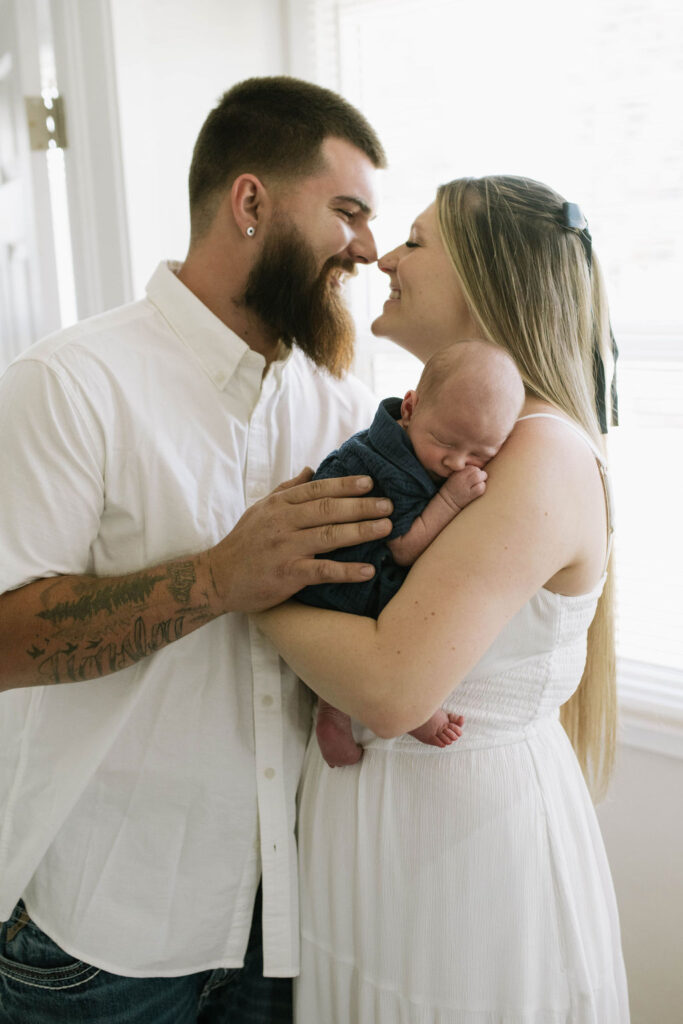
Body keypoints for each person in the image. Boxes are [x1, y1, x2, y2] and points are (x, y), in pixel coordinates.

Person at [0, 76, 393, 1024]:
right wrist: (217, 578)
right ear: (250, 201)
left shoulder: (340, 405)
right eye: (347, 212)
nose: (369, 250)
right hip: (101, 935)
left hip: (281, 922)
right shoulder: (69, 384)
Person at [256, 176, 629, 1022]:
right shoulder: (414, 441)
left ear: (486, 279)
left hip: (460, 862)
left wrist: (248, 582)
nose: (384, 256)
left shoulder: (538, 454)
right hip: (377, 833)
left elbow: (392, 689)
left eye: (415, 242)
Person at [296, 339, 525, 766]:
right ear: (410, 408)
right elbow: (403, 547)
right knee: (406, 609)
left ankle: (332, 710)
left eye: (480, 454)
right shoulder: (387, 463)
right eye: (445, 442)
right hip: (334, 580)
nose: (458, 463)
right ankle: (410, 710)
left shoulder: (421, 446)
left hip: (332, 585)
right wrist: (451, 502)